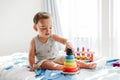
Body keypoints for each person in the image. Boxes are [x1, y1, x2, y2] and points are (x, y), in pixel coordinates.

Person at [28, 12, 96, 72]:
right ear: (35, 28)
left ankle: (86, 65)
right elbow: (31, 56)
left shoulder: (53, 36)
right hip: (43, 61)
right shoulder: (34, 41)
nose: (48, 30)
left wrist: (68, 43)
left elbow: (64, 40)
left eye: (50, 27)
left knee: (68, 59)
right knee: (47, 64)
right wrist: (32, 67)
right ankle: (62, 67)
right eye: (43, 28)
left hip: (56, 57)